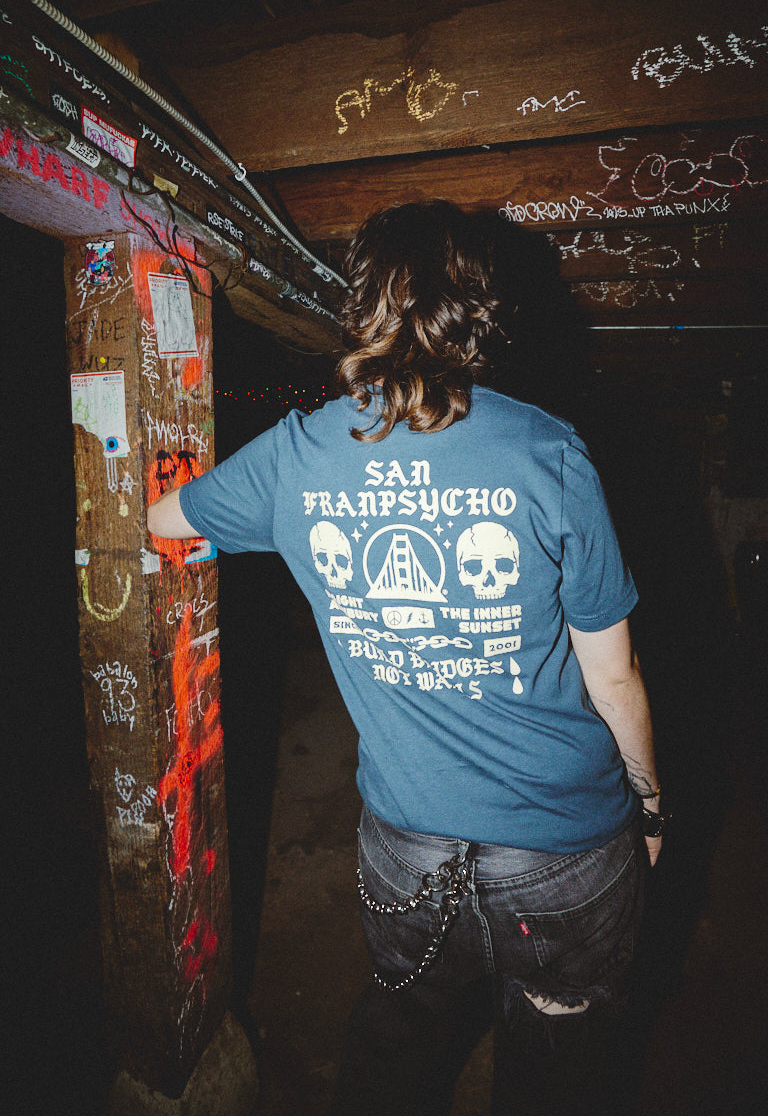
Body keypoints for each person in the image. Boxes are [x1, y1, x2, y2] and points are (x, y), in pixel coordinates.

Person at [148, 200, 664, 1115]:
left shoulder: (300, 453)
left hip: (407, 841)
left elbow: (163, 521)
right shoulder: (547, 451)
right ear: (481, 310)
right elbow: (613, 675)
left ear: (364, 308)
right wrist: (650, 808)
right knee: (557, 1060)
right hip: (565, 842)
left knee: (400, 1042)